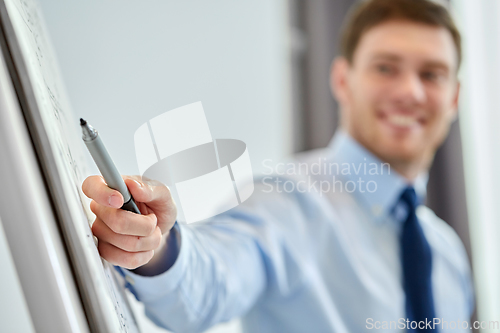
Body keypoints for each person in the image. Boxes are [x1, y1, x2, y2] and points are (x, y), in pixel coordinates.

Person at [82, 0, 474, 332]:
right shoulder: (284, 203)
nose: (410, 91)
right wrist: (156, 245)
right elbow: (205, 284)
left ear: (454, 98)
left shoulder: (449, 257)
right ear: (342, 80)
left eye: (431, 74)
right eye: (386, 68)